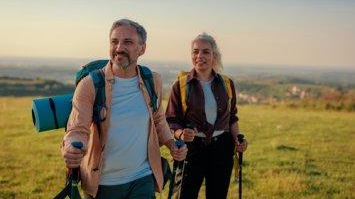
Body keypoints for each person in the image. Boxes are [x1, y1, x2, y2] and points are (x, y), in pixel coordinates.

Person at [62, 18, 187, 199]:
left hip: (142, 178)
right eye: (114, 41)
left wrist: (171, 143)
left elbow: (158, 119)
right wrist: (71, 147)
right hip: (102, 183)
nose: (119, 48)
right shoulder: (90, 85)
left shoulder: (152, 81)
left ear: (142, 48)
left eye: (127, 42)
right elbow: (77, 128)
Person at [165, 32, 248, 199]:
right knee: (185, 195)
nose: (199, 56)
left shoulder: (226, 83)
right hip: (191, 149)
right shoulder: (180, 85)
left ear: (214, 55)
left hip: (222, 149)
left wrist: (238, 141)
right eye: (195, 51)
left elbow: (232, 117)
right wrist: (181, 133)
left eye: (205, 51)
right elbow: (171, 121)